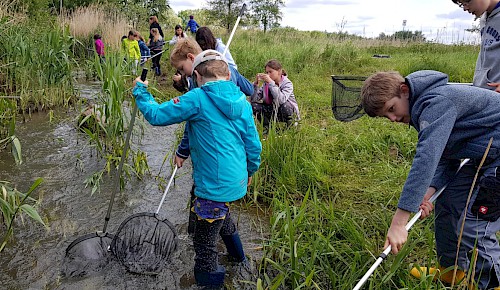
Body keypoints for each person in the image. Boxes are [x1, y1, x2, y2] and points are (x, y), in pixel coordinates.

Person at [133, 49, 262, 289]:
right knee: (223, 217)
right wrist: (250, 171)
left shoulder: (197, 98)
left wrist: (140, 91)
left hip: (213, 186)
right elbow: (253, 145)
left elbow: (156, 115)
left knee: (204, 248)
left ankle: (209, 283)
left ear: (199, 77)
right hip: (237, 181)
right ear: (227, 75)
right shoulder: (242, 102)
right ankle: (240, 261)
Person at [361, 70, 500, 290]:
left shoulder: (436, 103)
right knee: (448, 203)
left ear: (404, 91)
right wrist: (429, 191)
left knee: (474, 224)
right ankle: (451, 273)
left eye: (391, 109)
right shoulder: (424, 107)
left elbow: (427, 157)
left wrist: (399, 223)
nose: (393, 119)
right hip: (487, 154)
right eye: (386, 117)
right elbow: (447, 155)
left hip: (495, 158)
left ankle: (491, 285)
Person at [170, 38, 254, 235]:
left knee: (206, 236)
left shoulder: (198, 90)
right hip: (234, 167)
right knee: (218, 206)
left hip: (212, 166)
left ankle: (199, 234)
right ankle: (236, 257)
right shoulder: (234, 84)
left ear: (192, 59)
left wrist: (182, 150)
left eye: (182, 69)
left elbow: (186, 123)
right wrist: (250, 169)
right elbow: (249, 89)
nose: (183, 74)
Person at [453, 0, 500, 92]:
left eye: (466, 2)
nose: (465, 8)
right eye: (461, 4)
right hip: (483, 90)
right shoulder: (483, 18)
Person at [250, 59, 300, 131]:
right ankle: (268, 128)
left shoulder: (287, 83)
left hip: (285, 110)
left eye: (270, 72)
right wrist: (255, 86)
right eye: (267, 72)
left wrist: (271, 83)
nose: (268, 74)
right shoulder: (266, 84)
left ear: (279, 71)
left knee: (285, 105)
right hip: (272, 110)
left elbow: (281, 100)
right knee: (253, 106)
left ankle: (290, 127)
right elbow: (254, 100)